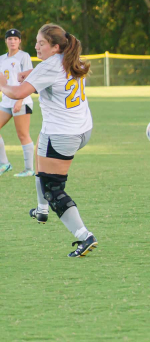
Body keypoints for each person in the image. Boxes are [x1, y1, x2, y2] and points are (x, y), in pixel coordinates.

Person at [0, 23, 97, 258]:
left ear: (55, 47)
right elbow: (52, 77)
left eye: (41, 43)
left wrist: (3, 83)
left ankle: (85, 236)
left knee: (53, 188)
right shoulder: (71, 58)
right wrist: (32, 74)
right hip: (83, 128)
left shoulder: (50, 66)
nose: (36, 46)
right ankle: (41, 210)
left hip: (63, 134)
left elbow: (17, 93)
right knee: (40, 149)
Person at [0, 29, 35, 177]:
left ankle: (29, 169)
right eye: (10, 39)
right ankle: (4, 163)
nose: (12, 41)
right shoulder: (1, 58)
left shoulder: (24, 56)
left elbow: (29, 79)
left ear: (20, 41)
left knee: (22, 134)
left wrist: (20, 100)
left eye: (15, 39)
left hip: (21, 100)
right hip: (6, 101)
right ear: (6, 41)